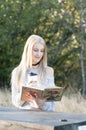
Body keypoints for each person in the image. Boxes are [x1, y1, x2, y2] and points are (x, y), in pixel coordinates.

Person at [11, 34, 56, 111]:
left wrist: (40, 99)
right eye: (35, 50)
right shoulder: (17, 72)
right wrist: (25, 91)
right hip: (26, 117)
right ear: (28, 50)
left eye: (42, 51)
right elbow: (15, 102)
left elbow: (52, 104)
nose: (39, 54)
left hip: (45, 117)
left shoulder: (48, 71)